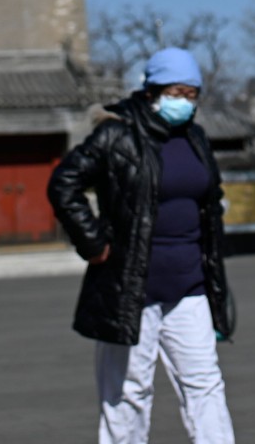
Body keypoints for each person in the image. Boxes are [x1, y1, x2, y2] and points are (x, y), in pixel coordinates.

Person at [48, 46, 235, 444]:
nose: (184, 102)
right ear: (152, 91)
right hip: (132, 287)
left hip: (189, 284)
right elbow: (64, 183)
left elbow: (210, 199)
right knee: (128, 392)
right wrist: (93, 243)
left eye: (191, 95)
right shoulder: (117, 134)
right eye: (176, 92)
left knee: (205, 382)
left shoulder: (195, 138)